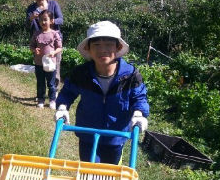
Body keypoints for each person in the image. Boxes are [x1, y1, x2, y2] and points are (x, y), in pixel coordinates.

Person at [54, 21, 149, 164]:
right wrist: (62, 108)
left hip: (116, 135)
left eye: (109, 45)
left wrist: (138, 114)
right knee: (88, 170)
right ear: (88, 49)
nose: (102, 50)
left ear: (118, 47)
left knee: (109, 174)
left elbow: (139, 98)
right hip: (87, 133)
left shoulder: (131, 75)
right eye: (97, 45)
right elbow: (67, 93)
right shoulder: (81, 73)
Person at [26, 0, 64, 88]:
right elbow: (27, 25)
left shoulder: (53, 4)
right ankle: (41, 93)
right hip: (39, 42)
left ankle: (54, 92)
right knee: (40, 67)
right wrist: (31, 18)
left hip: (54, 41)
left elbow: (61, 20)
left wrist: (50, 21)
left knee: (55, 67)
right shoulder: (31, 9)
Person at [30, 10, 62, 109]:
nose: (43, 22)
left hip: (51, 64)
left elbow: (60, 47)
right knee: (40, 83)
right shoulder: (36, 34)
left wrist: (54, 52)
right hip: (39, 63)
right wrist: (35, 50)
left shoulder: (54, 34)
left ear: (51, 21)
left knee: (51, 84)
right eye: (40, 20)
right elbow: (31, 46)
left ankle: (52, 100)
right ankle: (41, 100)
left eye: (45, 20)